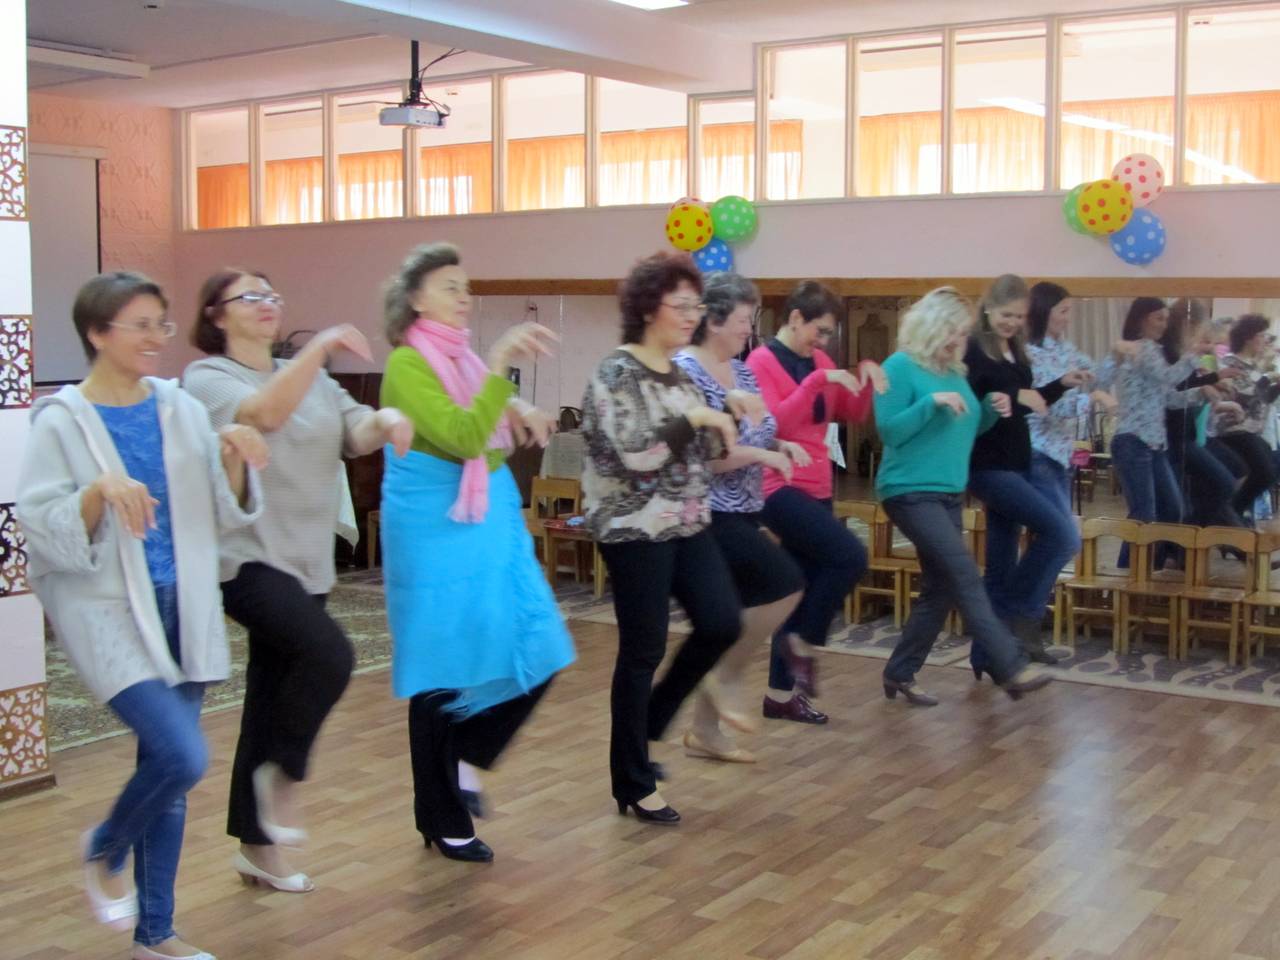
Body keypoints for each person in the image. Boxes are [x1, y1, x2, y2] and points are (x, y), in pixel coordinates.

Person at [18, 272, 268, 960]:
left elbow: (222, 508)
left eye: (163, 324)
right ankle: (105, 847)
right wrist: (98, 491)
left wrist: (234, 454)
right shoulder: (60, 420)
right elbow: (41, 527)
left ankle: (155, 933)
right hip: (105, 611)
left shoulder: (178, 406)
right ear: (98, 334)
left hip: (182, 602)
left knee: (169, 773)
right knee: (183, 755)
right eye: (141, 325)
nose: (158, 338)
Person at [183, 269, 413, 892]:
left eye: (272, 295)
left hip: (306, 561)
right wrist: (319, 348)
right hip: (245, 559)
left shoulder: (311, 378)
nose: (266, 304)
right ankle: (282, 775)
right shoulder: (208, 378)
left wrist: (388, 418)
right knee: (330, 655)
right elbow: (264, 413)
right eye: (250, 296)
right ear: (216, 314)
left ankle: (256, 848)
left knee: (267, 698)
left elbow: (354, 431)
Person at [379, 242, 575, 862]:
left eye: (466, 288)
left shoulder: (458, 359)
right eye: (449, 288)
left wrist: (520, 405)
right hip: (433, 528)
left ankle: (467, 754)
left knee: (539, 643)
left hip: (485, 520)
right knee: (442, 668)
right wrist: (500, 365)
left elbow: (483, 420)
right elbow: (466, 435)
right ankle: (442, 817)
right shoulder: (407, 365)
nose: (464, 298)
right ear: (416, 299)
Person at [582, 251, 743, 825]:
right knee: (643, 649)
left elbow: (706, 453)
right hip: (633, 526)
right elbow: (636, 455)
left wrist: (729, 416)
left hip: (685, 521)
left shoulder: (680, 374)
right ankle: (632, 780)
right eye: (682, 305)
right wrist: (697, 420)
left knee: (722, 621)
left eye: (697, 306)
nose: (693, 316)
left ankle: (650, 720)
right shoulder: (615, 373)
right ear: (649, 307)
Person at [874, 287, 1052, 705]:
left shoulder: (955, 372)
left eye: (963, 332)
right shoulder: (899, 366)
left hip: (950, 491)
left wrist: (989, 409)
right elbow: (890, 432)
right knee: (965, 573)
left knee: (941, 588)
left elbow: (966, 429)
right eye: (954, 331)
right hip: (909, 490)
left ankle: (900, 672)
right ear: (933, 327)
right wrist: (930, 403)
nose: (960, 340)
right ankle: (1010, 666)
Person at [673, 272, 805, 763]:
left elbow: (756, 431)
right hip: (707, 514)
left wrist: (778, 444)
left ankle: (705, 731)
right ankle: (723, 675)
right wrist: (761, 456)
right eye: (744, 320)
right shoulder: (686, 371)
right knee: (785, 583)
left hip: (745, 509)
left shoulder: (743, 372)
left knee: (727, 617)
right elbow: (704, 458)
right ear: (713, 320)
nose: (750, 330)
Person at [746, 281, 882, 724]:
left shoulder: (820, 361)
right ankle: (803, 641)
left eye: (828, 334)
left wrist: (866, 378)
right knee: (849, 556)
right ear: (795, 318)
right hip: (777, 485)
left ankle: (779, 697)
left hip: (818, 485)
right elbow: (772, 425)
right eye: (818, 331)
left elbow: (852, 413)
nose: (822, 342)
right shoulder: (761, 361)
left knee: (798, 590)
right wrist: (817, 380)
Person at [964, 275, 1085, 664]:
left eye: (1019, 316)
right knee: (1062, 534)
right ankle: (1013, 616)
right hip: (988, 466)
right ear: (988, 308)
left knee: (1000, 565)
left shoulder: (1015, 348)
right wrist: (1017, 395)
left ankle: (987, 654)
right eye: (1006, 314)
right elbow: (976, 396)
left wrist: (1060, 385)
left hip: (1015, 463)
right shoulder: (974, 348)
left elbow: (1025, 402)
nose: (1012, 322)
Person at [1096, 298, 1204, 567]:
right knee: (1144, 514)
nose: (1164, 325)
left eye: (1166, 319)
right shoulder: (1140, 348)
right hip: (1132, 440)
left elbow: (1170, 398)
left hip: (1154, 444)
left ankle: (1146, 569)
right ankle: (1129, 573)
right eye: (1159, 318)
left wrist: (1203, 393)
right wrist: (1192, 357)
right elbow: (1168, 376)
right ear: (1142, 319)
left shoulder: (1153, 351)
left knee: (1171, 508)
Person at [1026, 281, 1115, 517]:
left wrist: (1115, 357)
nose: (1068, 319)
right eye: (1063, 311)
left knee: (1056, 528)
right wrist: (1094, 397)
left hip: (1061, 452)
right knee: (1060, 530)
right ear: (1044, 312)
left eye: (1069, 311)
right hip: (1039, 451)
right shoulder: (1032, 354)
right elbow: (1053, 407)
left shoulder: (1066, 349)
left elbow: (1097, 378)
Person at [1219, 315, 1280, 520]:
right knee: (1265, 473)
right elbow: (1244, 394)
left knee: (1274, 465)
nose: (1265, 340)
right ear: (1248, 337)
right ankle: (1232, 512)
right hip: (1233, 430)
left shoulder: (1252, 366)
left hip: (1251, 430)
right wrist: (1267, 375)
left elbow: (1263, 399)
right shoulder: (1231, 363)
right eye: (1261, 335)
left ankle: (1237, 512)